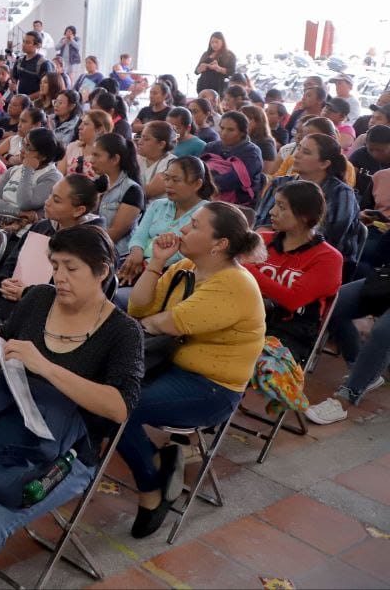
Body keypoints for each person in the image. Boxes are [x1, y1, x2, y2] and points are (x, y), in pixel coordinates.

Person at [0, 225, 143, 587]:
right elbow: (2, 350)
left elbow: (119, 408)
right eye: (55, 265)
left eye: (71, 268)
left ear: (103, 271)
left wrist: (45, 366)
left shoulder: (123, 332)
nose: (60, 277)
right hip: (4, 427)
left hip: (64, 454)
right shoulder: (38, 300)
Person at [125, 203, 266, 537]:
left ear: (220, 244)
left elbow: (170, 322)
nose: (184, 229)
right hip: (170, 370)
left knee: (116, 405)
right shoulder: (186, 267)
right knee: (105, 399)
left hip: (211, 389)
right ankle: (160, 464)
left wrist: (140, 326)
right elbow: (139, 305)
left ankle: (151, 488)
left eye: (196, 225)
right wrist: (157, 263)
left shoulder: (234, 284)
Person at [244, 180, 342, 363]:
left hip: (290, 330)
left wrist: (247, 269)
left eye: (281, 207)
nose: (272, 211)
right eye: (274, 204)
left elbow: (292, 299)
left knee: (256, 363)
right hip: (246, 316)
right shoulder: (262, 240)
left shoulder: (328, 257)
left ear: (304, 215)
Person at [0, 174, 103, 318]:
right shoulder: (42, 226)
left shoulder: (91, 245)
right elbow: (11, 263)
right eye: (50, 195)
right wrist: (3, 282)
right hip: (9, 301)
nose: (47, 202)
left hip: (49, 316)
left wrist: (26, 293)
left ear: (79, 210)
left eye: (56, 200)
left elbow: (73, 294)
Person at [253, 133, 360, 266]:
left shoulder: (341, 193)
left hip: (323, 262)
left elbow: (327, 238)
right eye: (299, 148)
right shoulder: (279, 183)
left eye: (306, 152)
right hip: (275, 252)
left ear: (324, 164)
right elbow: (262, 225)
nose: (296, 155)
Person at [117, 156, 214, 291]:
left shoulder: (206, 213)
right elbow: (139, 235)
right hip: (139, 263)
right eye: (167, 178)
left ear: (197, 184)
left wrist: (149, 263)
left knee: (116, 297)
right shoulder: (158, 205)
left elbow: (186, 254)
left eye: (175, 180)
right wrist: (136, 253)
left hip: (171, 274)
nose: (168, 184)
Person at [0, 127, 64, 218]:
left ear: (43, 156)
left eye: (28, 147)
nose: (22, 150)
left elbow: (25, 204)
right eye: (23, 144)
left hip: (22, 229)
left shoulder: (52, 177)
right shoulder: (13, 170)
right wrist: (18, 212)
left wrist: (28, 169)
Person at [91, 133, 144, 258]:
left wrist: (83, 247)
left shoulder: (132, 190)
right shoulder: (99, 183)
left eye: (97, 155)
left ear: (115, 159)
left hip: (117, 256)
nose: (91, 160)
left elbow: (114, 233)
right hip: (96, 250)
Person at [203, 111, 263, 205]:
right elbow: (198, 170)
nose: (224, 133)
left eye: (230, 130)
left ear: (243, 133)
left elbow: (232, 181)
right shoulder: (211, 147)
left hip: (238, 204)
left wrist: (205, 182)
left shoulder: (252, 153)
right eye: (222, 128)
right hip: (208, 196)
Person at [61, 108, 111, 177]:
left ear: (99, 129)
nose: (79, 127)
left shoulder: (106, 157)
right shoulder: (72, 147)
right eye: (81, 123)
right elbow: (59, 177)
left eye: (85, 124)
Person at [136, 120, 178, 201]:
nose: (139, 142)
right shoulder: (138, 159)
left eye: (146, 139)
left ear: (161, 144)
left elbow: (150, 191)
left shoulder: (172, 164)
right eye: (140, 137)